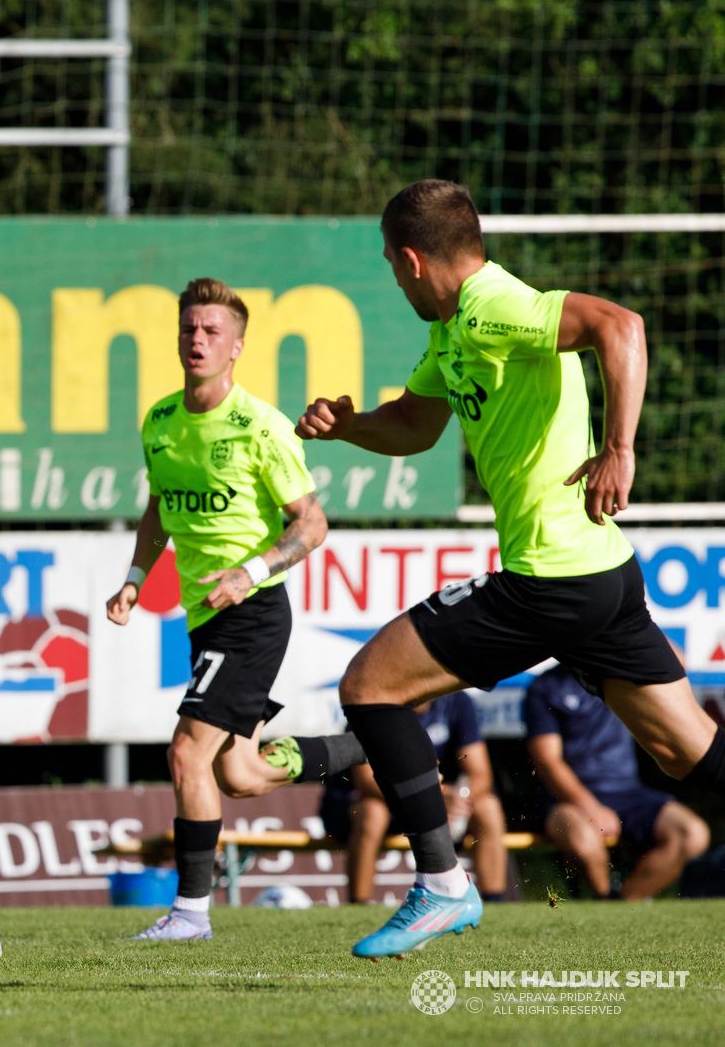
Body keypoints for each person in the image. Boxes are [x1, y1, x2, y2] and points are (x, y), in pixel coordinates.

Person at [296, 179, 724, 960]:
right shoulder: (454, 328)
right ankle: (442, 884)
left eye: (394, 265)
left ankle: (442, 884)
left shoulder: (497, 305)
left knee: (369, 685)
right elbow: (417, 424)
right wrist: (350, 426)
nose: (395, 280)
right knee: (686, 751)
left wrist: (621, 449)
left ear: (415, 259)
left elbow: (620, 326)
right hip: (601, 576)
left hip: (551, 579)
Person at [105, 277, 360, 941]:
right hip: (203, 615)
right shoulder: (160, 421)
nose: (197, 339)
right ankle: (370, 748)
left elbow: (311, 524)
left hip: (253, 613)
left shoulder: (262, 427)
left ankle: (190, 913)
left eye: (212, 331)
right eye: (190, 328)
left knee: (187, 754)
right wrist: (135, 577)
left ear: (236, 347)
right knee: (239, 772)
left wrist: (249, 573)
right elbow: (161, 507)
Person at [526, 665, 710, 899]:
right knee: (584, 841)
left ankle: (621, 907)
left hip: (627, 791)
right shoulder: (546, 686)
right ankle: (604, 901)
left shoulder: (622, 670)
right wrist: (591, 807)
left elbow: (675, 661)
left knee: (692, 833)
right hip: (565, 799)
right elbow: (548, 762)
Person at [320, 691, 507, 905]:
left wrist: (459, 798)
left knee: (488, 808)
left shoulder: (457, 701)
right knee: (373, 812)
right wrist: (431, 798)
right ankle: (358, 907)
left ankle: (495, 905)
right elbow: (367, 782)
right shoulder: (372, 700)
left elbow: (480, 774)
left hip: (435, 803)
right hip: (372, 802)